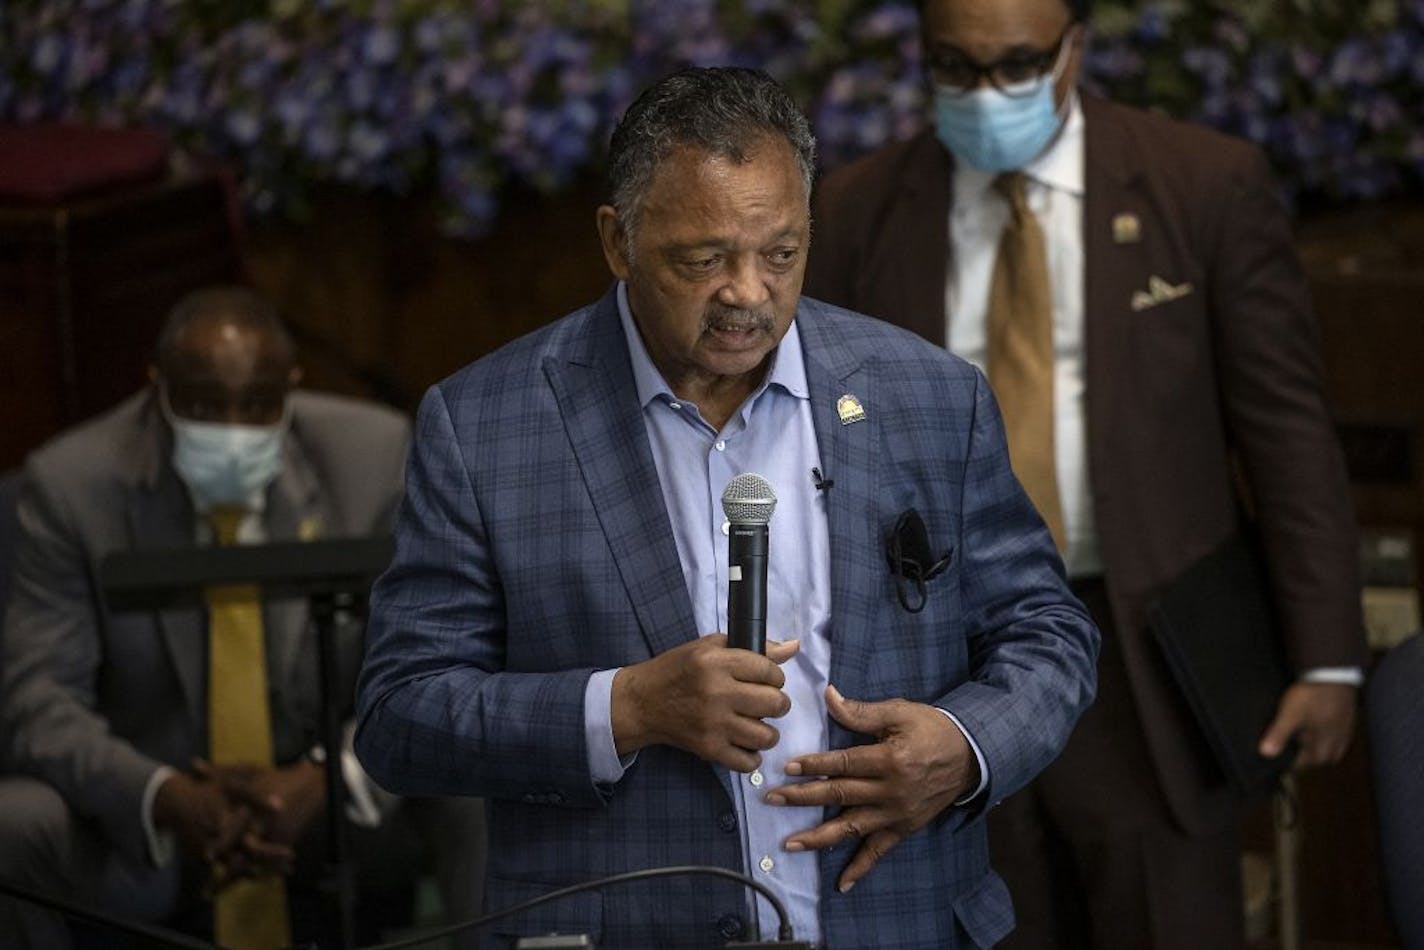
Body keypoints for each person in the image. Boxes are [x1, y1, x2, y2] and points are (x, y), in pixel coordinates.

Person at [354, 66, 1098, 949]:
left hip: (898, 922)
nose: (748, 292)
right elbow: (401, 716)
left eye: (781, 254)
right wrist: (625, 708)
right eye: (703, 259)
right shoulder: (484, 425)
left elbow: (1048, 630)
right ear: (618, 241)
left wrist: (964, 744)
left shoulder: (928, 395)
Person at [803, 1, 1367, 947]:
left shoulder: (1201, 185)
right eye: (956, 66)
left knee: (1164, 912)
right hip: (942, 646)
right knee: (989, 916)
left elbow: (1285, 429)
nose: (986, 93)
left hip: (1144, 642)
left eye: (1015, 66)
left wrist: (1326, 655)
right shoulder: (863, 206)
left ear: (1074, 52)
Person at [0, 286, 484, 946]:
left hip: (334, 811)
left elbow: (438, 664)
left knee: (484, 775)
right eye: (201, 405)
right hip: (150, 826)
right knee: (17, 820)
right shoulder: (71, 485)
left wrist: (325, 780)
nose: (230, 428)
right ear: (156, 389)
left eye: (257, 406)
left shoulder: (371, 458)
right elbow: (38, 699)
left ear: (291, 387)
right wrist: (162, 794)